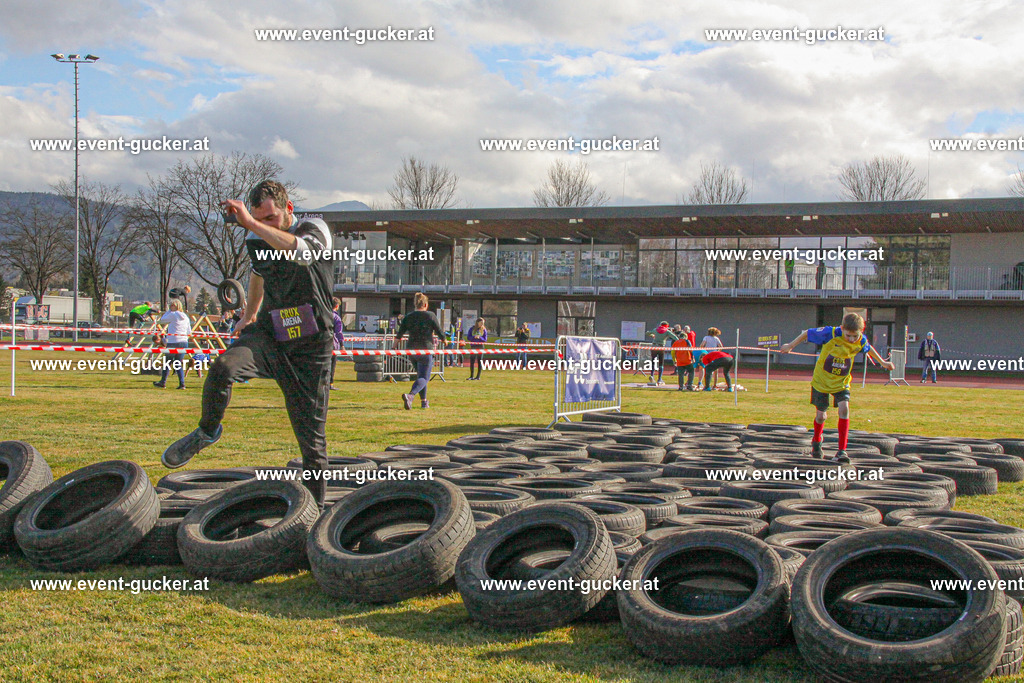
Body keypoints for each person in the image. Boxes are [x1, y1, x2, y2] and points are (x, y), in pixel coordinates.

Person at [160, 180, 335, 510]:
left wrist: (252, 223)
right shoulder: (254, 237)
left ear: (289, 210)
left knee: (311, 442)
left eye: (271, 218)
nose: (264, 225)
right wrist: (250, 314)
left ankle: (312, 517)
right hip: (270, 335)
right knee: (223, 367)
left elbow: (300, 253)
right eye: (258, 218)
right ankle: (206, 431)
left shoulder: (316, 229)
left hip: (311, 347)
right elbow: (258, 273)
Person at [779, 313, 895, 464]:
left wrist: (883, 363)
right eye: (848, 335)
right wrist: (790, 345)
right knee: (821, 416)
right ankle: (816, 441)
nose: (852, 339)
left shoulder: (860, 340)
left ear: (861, 332)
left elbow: (868, 349)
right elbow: (807, 333)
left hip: (842, 382)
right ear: (842, 328)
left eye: (855, 336)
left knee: (844, 409)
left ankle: (841, 451)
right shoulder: (830, 333)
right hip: (822, 381)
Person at [396, 292, 444, 409]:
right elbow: (438, 330)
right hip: (425, 349)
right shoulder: (430, 315)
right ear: (426, 305)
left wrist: (394, 346)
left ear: (415, 304)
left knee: (420, 376)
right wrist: (444, 340)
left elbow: (399, 334)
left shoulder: (408, 316)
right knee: (425, 377)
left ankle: (424, 402)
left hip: (411, 350)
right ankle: (410, 395)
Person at [153, 299, 192, 390]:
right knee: (178, 363)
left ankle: (163, 382)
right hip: (184, 341)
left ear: (175, 306)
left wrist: (169, 311)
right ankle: (182, 384)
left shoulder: (173, 314)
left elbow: (163, 320)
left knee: (167, 362)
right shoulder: (186, 317)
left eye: (172, 306)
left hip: (173, 341)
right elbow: (189, 331)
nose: (171, 307)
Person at [646, 321, 679, 385]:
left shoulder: (655, 330)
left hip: (654, 346)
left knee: (653, 361)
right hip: (661, 347)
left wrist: (652, 335)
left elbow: (647, 333)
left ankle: (652, 375)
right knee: (661, 363)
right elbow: (675, 338)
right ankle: (659, 378)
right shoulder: (667, 331)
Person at [329, 297, 345, 391]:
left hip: (321, 344)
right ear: (337, 306)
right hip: (333, 344)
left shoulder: (323, 315)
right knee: (332, 365)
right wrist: (342, 344)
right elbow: (338, 332)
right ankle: (330, 383)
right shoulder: (336, 317)